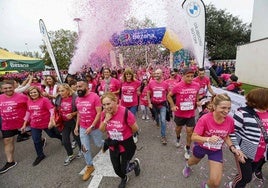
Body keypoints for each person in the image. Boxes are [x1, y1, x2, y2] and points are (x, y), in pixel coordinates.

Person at [182, 94, 244, 188]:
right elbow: (194, 137)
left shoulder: (230, 120)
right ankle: (187, 166)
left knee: (215, 183)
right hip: (201, 147)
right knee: (193, 162)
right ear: (214, 106)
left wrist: (233, 148)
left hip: (216, 150)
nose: (227, 111)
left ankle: (205, 186)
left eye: (229, 108)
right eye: (223, 108)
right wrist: (208, 139)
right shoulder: (205, 119)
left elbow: (227, 136)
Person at [99, 92, 140, 188]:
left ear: (115, 101)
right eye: (104, 105)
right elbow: (102, 130)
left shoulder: (125, 112)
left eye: (108, 104)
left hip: (126, 144)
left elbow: (135, 128)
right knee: (116, 169)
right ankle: (124, 178)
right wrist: (106, 120)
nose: (106, 107)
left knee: (124, 169)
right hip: (113, 144)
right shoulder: (104, 114)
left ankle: (134, 164)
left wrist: (125, 135)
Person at [229, 88, 268, 187]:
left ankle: (234, 182)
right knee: (246, 178)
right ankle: (233, 185)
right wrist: (237, 150)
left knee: (248, 173)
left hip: (261, 154)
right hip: (245, 153)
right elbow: (232, 133)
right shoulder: (242, 113)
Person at [21, 86, 62, 166]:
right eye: (31, 93)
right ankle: (40, 155)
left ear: (38, 92)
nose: (33, 94)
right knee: (36, 140)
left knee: (52, 135)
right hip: (34, 124)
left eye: (35, 92)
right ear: (29, 94)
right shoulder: (29, 101)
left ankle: (62, 138)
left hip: (46, 123)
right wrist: (24, 124)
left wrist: (51, 120)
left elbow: (51, 110)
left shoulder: (44, 100)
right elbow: (28, 112)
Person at [167, 68, 200, 159]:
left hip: (190, 114)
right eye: (188, 76)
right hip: (180, 114)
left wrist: (197, 101)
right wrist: (173, 106)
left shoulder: (196, 85)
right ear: (183, 76)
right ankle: (178, 137)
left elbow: (197, 94)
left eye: (192, 76)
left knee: (189, 132)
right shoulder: (178, 86)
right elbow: (169, 96)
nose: (190, 78)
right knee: (178, 129)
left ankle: (188, 148)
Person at [74, 79, 103, 181]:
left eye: (80, 86)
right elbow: (79, 113)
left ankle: (107, 144)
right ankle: (90, 166)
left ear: (87, 87)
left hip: (94, 127)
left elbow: (99, 113)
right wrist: (76, 126)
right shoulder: (77, 99)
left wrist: (92, 126)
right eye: (77, 87)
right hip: (82, 127)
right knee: (85, 147)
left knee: (99, 144)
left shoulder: (94, 96)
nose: (78, 89)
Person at [0, 80, 28, 174]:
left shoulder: (22, 97)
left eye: (10, 87)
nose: (8, 89)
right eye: (5, 88)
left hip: (22, 123)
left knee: (36, 137)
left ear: (13, 88)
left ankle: (41, 140)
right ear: (1, 89)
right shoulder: (0, 98)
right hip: (7, 124)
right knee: (7, 140)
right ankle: (10, 161)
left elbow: (30, 107)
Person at [55, 83, 82, 166]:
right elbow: (56, 109)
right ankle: (70, 155)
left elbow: (80, 111)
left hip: (74, 121)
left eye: (63, 91)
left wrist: (72, 114)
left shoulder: (75, 98)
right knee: (65, 140)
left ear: (68, 90)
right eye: (59, 91)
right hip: (64, 123)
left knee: (77, 138)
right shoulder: (58, 98)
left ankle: (82, 150)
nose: (61, 93)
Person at [147, 69, 169, 145]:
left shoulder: (165, 84)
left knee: (163, 120)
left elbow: (169, 93)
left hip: (162, 104)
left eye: (158, 73)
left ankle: (163, 136)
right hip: (154, 104)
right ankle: (157, 121)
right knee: (157, 117)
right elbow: (148, 93)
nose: (156, 75)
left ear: (162, 74)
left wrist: (170, 103)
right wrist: (149, 103)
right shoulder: (151, 83)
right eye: (155, 73)